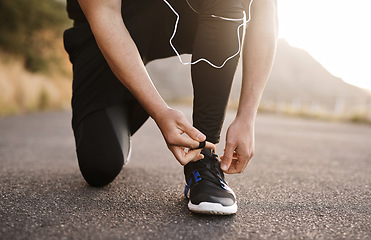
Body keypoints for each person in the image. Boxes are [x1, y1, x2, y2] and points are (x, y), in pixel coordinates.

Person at [63, 0, 278, 215]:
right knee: (100, 166)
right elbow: (105, 14)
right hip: (105, 23)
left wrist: (246, 117)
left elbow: (266, 7)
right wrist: (159, 111)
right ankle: (130, 86)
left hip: (178, 12)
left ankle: (203, 160)